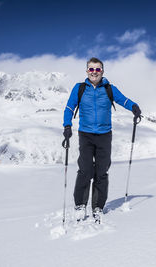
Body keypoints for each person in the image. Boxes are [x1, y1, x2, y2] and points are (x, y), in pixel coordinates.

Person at [63, 57, 141, 223]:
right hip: (86, 134)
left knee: (102, 171)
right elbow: (69, 107)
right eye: (91, 69)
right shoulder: (80, 88)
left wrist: (134, 106)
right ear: (87, 71)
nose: (94, 72)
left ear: (102, 71)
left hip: (105, 135)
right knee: (85, 170)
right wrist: (67, 126)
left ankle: (97, 206)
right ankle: (80, 205)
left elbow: (123, 100)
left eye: (98, 69)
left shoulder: (109, 89)